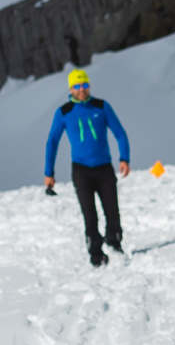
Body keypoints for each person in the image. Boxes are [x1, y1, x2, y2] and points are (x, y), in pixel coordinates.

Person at [43, 67, 132, 267]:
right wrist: (49, 173)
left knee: (112, 211)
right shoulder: (64, 112)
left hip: (104, 169)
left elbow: (120, 133)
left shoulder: (101, 107)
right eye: (77, 86)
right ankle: (96, 253)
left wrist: (124, 158)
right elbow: (52, 142)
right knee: (89, 214)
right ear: (71, 89)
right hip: (81, 171)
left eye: (84, 85)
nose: (81, 89)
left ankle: (114, 242)